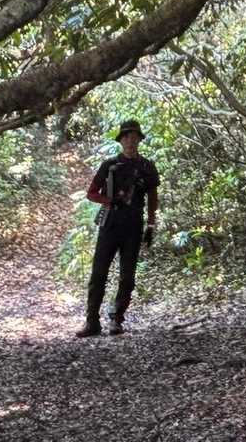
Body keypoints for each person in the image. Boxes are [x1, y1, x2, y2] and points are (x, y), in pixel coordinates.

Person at [76, 119, 159, 337]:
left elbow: (153, 197)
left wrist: (151, 224)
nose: (131, 141)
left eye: (134, 137)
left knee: (127, 277)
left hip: (133, 227)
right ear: (121, 140)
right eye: (127, 137)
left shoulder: (147, 167)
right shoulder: (109, 165)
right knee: (98, 274)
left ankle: (116, 319)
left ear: (139, 140)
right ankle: (92, 322)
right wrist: (109, 200)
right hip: (110, 225)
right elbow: (91, 193)